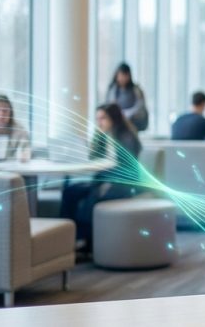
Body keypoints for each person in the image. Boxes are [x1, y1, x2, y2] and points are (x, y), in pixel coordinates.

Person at [61, 103, 143, 249]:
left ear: (114, 118)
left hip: (124, 182)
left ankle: (86, 242)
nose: (99, 122)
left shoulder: (126, 136)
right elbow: (93, 159)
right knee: (70, 192)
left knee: (95, 195)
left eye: (103, 118)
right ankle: (65, 238)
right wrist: (94, 139)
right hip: (103, 178)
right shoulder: (102, 136)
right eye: (97, 118)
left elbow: (127, 168)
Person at [105, 62, 149, 132]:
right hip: (117, 118)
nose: (122, 78)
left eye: (124, 75)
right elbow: (109, 106)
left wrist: (126, 114)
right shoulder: (112, 90)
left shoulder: (136, 89)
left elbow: (140, 106)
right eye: (120, 75)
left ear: (129, 76)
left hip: (134, 119)